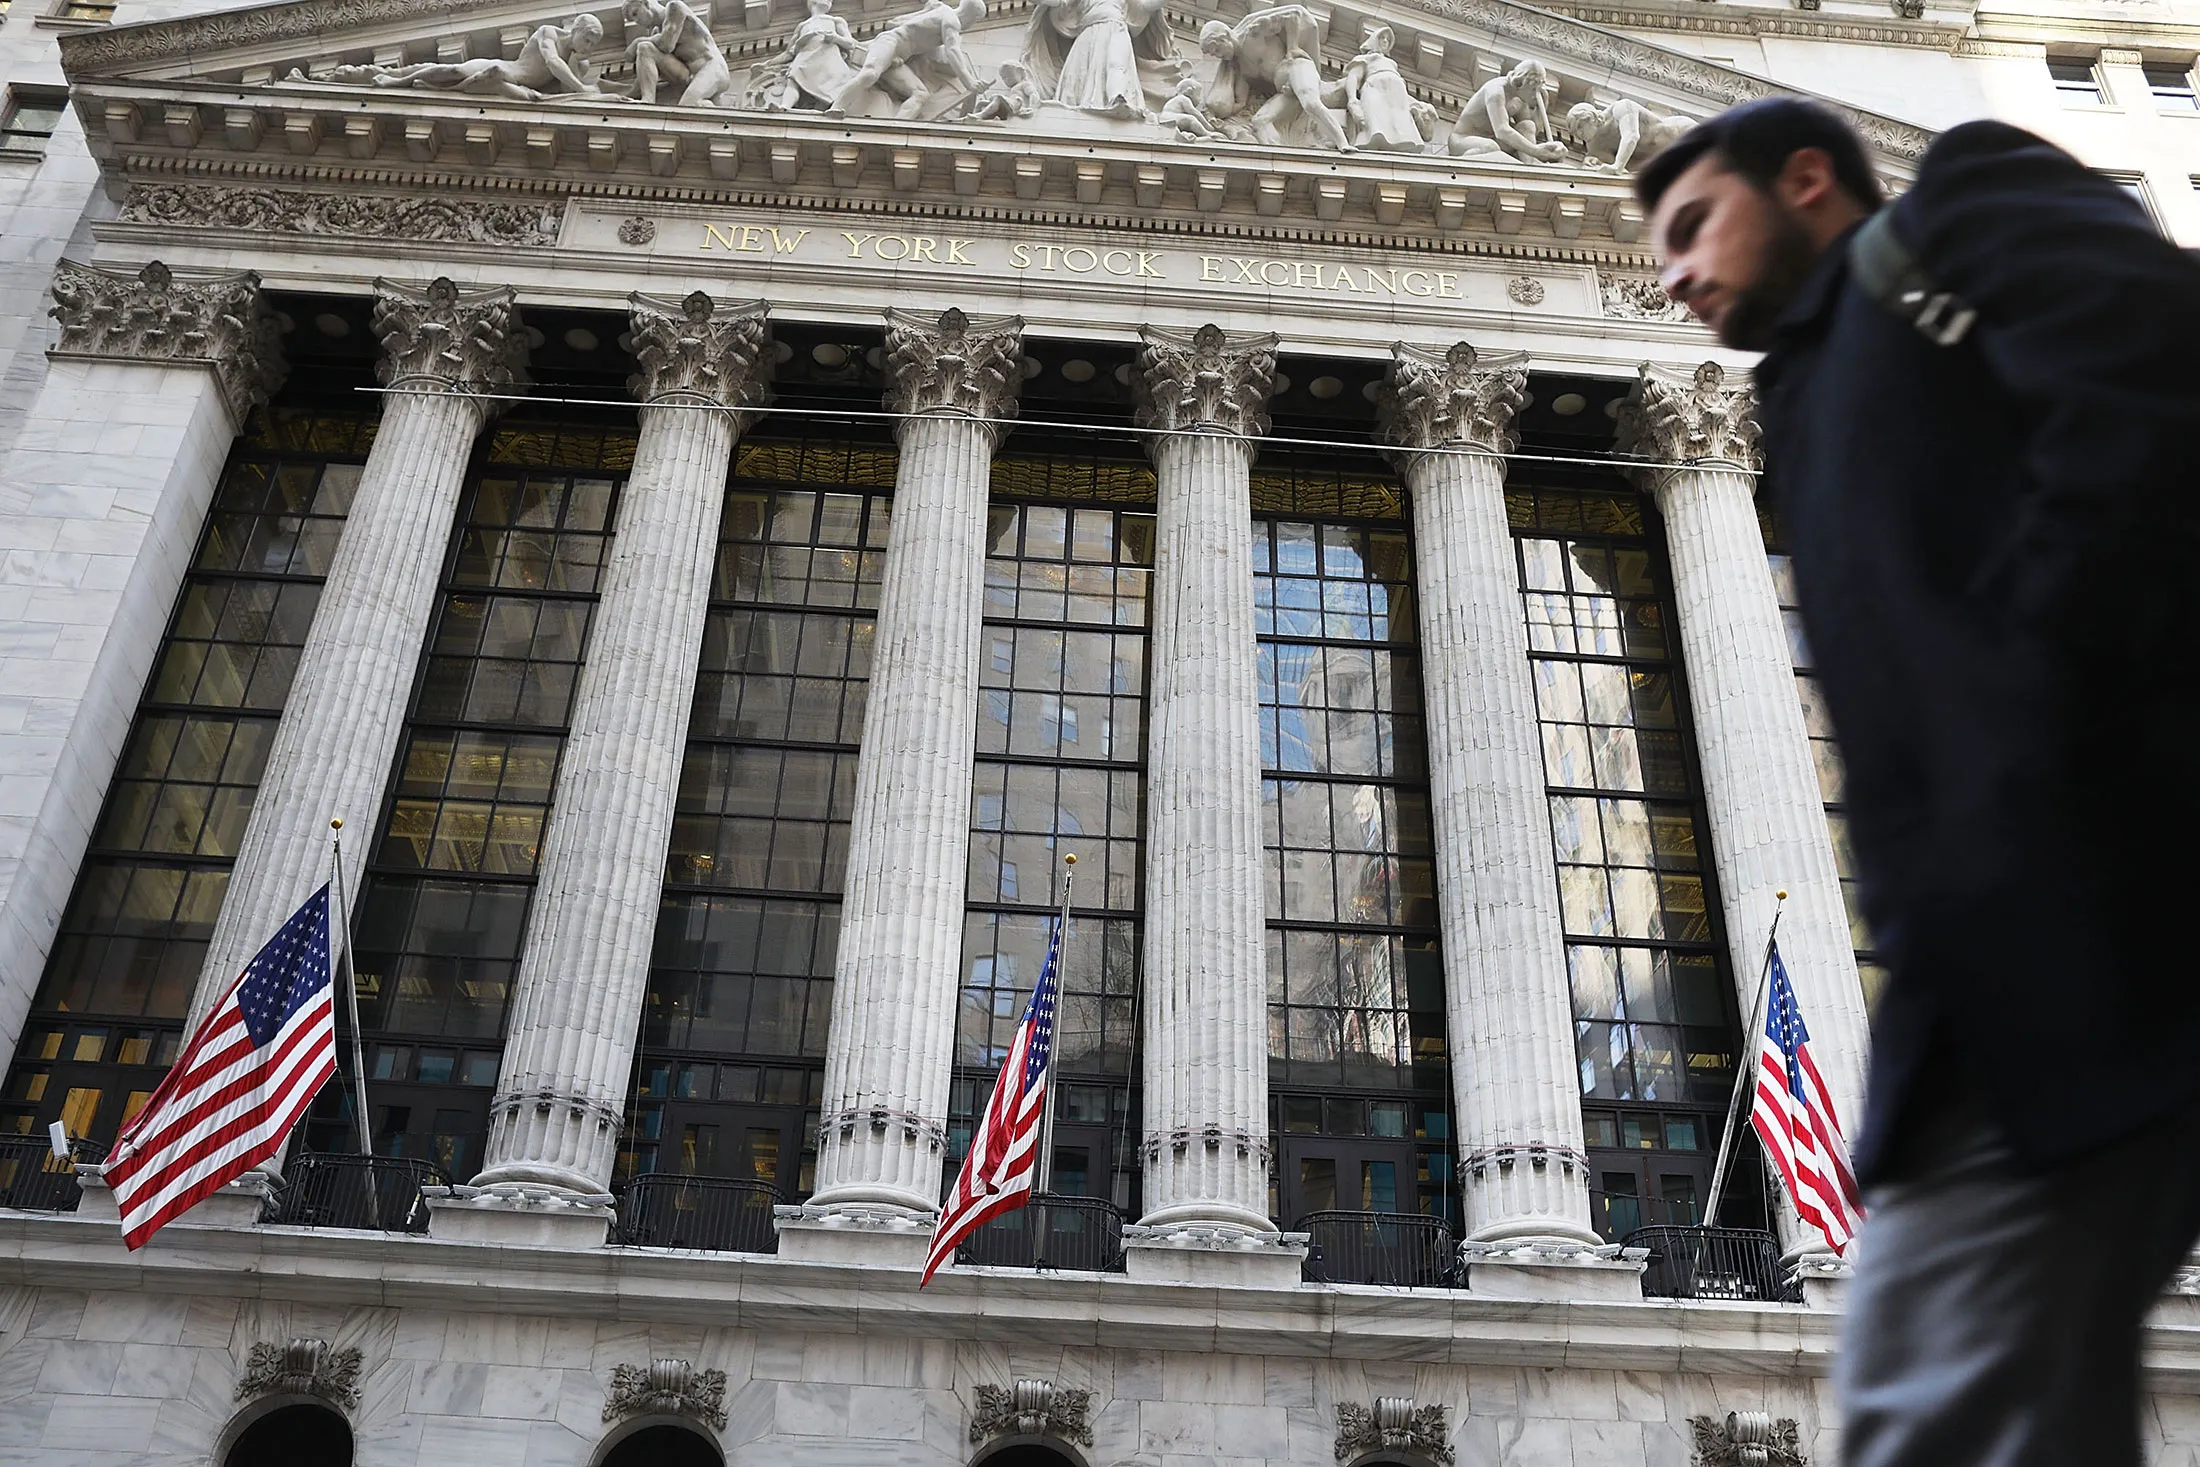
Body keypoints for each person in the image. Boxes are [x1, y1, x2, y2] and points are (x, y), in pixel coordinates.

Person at [1636, 97, 2200, 1466]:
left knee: (1928, 1407)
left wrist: (2043, 692)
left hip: (2104, 914)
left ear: (1808, 179)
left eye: (1695, 223)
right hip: (1995, 974)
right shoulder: (1805, 396)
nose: (1673, 274)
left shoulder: (1963, 203)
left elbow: (2163, 363)